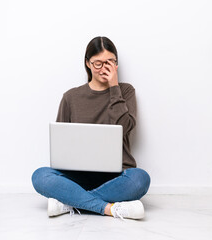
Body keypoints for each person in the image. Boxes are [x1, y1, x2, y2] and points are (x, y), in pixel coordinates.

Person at [32, 36, 151, 220]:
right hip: (77, 177)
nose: (104, 68)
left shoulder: (125, 91)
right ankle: (108, 208)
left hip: (116, 176)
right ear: (87, 63)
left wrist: (114, 87)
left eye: (110, 62)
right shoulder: (70, 97)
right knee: (40, 176)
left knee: (140, 179)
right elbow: (61, 145)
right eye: (98, 63)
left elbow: (124, 127)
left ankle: (69, 202)